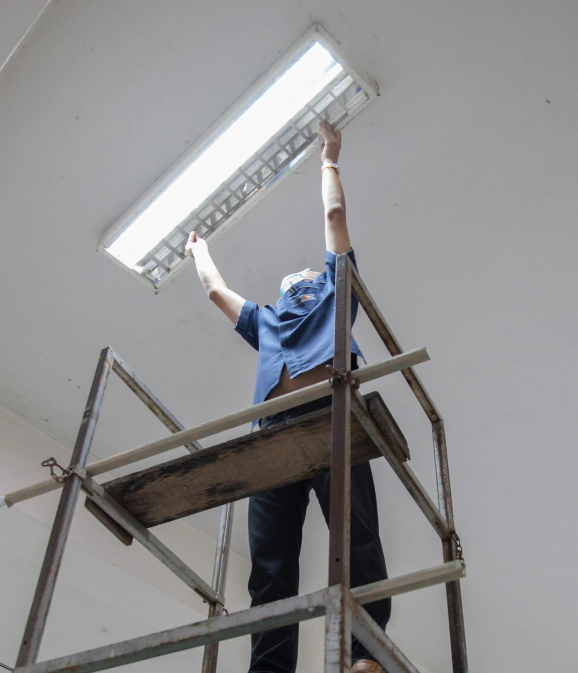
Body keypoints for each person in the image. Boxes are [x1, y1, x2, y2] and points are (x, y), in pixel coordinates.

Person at [186, 120, 391, 673]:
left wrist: (331, 157)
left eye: (308, 274)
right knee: (272, 566)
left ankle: (366, 655)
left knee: (352, 543)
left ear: (324, 285)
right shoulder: (267, 321)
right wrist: (196, 249)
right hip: (274, 436)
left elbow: (333, 218)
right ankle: (272, 668)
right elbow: (212, 289)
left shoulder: (335, 294)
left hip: (331, 418)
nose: (299, 277)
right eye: (290, 279)